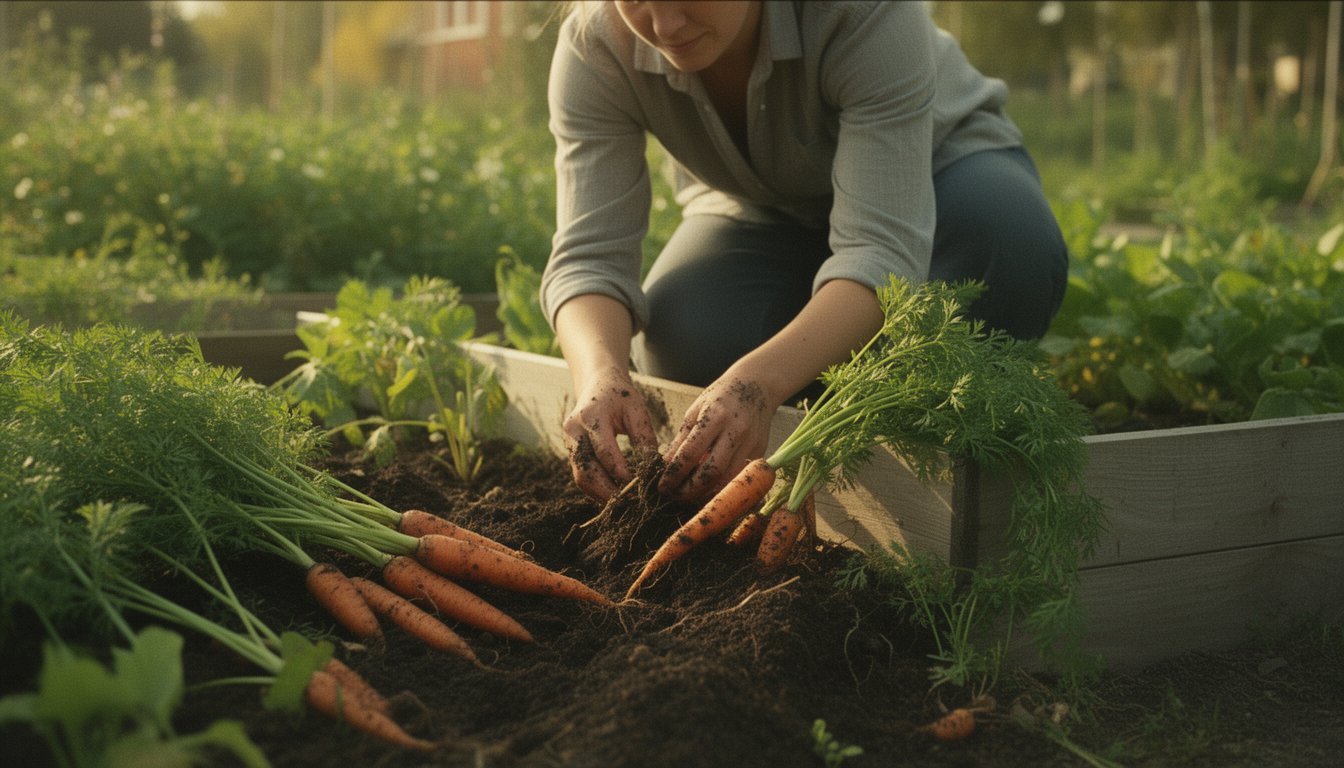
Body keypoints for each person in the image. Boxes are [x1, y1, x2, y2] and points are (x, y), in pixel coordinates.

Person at [541, 1, 1067, 505]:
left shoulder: (862, 11)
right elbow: (590, 257)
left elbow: (880, 248)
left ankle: (875, 388)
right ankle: (822, 351)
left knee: (1010, 252)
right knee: (684, 337)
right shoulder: (596, 43)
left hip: (938, 176)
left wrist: (760, 383)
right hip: (762, 208)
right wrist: (599, 375)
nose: (665, 24)